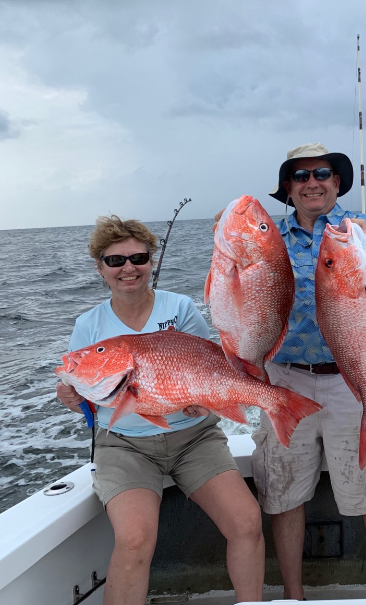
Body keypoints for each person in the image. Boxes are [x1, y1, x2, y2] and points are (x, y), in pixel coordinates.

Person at [55, 216, 264, 605]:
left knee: (247, 522)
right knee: (134, 541)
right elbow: (85, 387)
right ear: (100, 268)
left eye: (138, 257)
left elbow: (208, 366)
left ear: (151, 260)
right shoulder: (89, 325)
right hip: (125, 446)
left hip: (194, 437)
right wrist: (70, 396)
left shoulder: (180, 307)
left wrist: (204, 399)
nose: (128, 268)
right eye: (115, 261)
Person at [249, 143, 366, 600]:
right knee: (283, 490)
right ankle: (294, 596)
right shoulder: (267, 238)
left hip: (350, 376)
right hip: (285, 377)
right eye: (300, 176)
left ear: (337, 183)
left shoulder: (365, 230)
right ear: (288, 189)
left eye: (322, 173)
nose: (312, 181)